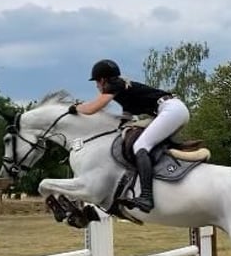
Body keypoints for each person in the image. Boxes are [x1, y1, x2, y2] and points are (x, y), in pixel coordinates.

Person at [70, 58, 190, 213]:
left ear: (103, 79)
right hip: (172, 110)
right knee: (144, 140)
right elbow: (125, 119)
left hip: (170, 110)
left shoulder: (114, 85)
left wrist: (76, 107)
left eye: (97, 82)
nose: (97, 86)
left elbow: (93, 108)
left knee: (141, 145)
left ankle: (146, 196)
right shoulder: (124, 92)